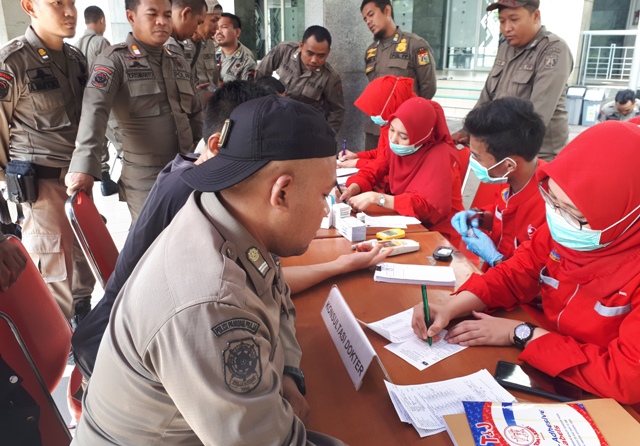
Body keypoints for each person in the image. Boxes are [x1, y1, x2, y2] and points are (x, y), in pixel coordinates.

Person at [72, 96, 348, 445]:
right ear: (281, 193)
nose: (325, 210)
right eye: (324, 195)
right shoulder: (210, 300)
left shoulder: (230, 214)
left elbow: (279, 299)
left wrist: (289, 371)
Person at [72, 80, 389, 380]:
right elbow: (236, 293)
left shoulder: (201, 175)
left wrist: (341, 264)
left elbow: (268, 282)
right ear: (219, 143)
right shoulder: (199, 197)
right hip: (119, 359)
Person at [412, 120, 640, 406]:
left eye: (574, 213)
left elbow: (626, 377)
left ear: (627, 213)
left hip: (611, 405)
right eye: (551, 199)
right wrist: (453, 305)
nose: (557, 217)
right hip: (554, 369)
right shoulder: (566, 234)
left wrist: (522, 334)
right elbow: (515, 273)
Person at [0, 0, 96, 322]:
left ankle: (84, 325)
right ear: (30, 6)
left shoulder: (75, 59)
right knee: (55, 275)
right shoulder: (13, 62)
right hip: (41, 191)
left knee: (83, 264)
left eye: (72, 2)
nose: (70, 11)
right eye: (57, 2)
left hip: (78, 183)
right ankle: (60, 338)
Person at [72, 0, 203, 223]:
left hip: (187, 169)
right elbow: (95, 111)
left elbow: (195, 113)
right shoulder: (114, 60)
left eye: (167, 15)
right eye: (152, 14)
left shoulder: (178, 60)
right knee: (151, 238)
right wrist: (83, 167)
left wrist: (203, 154)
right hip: (145, 179)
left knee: (187, 232)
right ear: (131, 17)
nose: (162, 21)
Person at [451, 0, 573, 162]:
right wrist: (467, 131)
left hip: (537, 155)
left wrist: (496, 145)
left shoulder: (553, 50)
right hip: (503, 151)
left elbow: (537, 115)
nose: (507, 28)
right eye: (502, 21)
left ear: (535, 16)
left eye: (514, 19)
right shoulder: (505, 48)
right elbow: (487, 98)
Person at [338, 97, 464, 244]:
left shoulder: (441, 156)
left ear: (422, 135)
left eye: (403, 136)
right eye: (391, 130)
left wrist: (377, 198)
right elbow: (375, 168)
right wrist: (352, 188)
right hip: (406, 220)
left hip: (437, 233)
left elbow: (429, 208)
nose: (394, 139)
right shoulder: (397, 148)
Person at [451, 98, 547, 270]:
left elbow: (536, 279)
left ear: (509, 165)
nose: (472, 161)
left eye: (477, 157)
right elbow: (502, 215)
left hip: (513, 284)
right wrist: (478, 217)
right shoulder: (509, 177)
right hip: (493, 276)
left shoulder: (552, 206)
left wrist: (496, 260)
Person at [360, 0, 437, 150]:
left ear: (387, 11)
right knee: (371, 163)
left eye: (371, 14)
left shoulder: (415, 45)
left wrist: (408, 117)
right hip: (375, 130)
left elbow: (428, 88)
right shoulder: (370, 51)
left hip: (403, 130)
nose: (368, 21)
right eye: (365, 19)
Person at [256, 26, 345, 134]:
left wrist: (327, 136)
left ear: (328, 52)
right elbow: (259, 76)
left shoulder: (330, 77)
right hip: (274, 120)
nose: (314, 60)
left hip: (305, 129)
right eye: (310, 53)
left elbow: (337, 110)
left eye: (321, 56)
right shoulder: (284, 51)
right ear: (301, 46)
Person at [75, 5, 119, 197]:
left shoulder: (75, 45)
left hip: (85, 103)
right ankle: (119, 182)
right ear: (102, 20)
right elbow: (112, 70)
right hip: (104, 100)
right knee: (121, 140)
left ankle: (104, 179)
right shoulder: (101, 42)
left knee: (98, 141)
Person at [337, 75, 415, 169]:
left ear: (388, 106)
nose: (373, 116)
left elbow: (390, 164)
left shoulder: (406, 126)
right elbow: (382, 152)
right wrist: (357, 156)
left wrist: (357, 162)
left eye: (375, 111)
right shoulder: (388, 123)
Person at [188, 0, 222, 106]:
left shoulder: (209, 44)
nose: (217, 27)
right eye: (213, 21)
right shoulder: (177, 44)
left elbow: (215, 80)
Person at [215, 13, 257, 82]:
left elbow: (247, 87)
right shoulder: (211, 51)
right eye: (216, 28)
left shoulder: (246, 60)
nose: (218, 31)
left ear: (237, 32)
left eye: (224, 27)